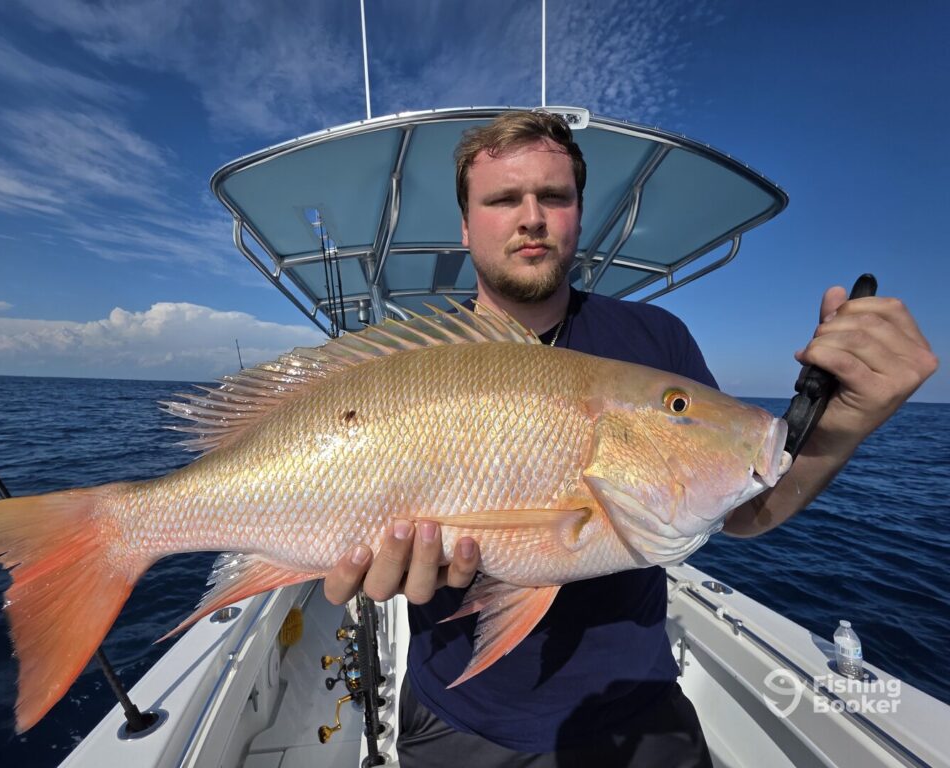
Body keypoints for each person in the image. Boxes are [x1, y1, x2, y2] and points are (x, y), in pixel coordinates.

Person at [323, 111, 938, 766]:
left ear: (579, 214)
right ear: (467, 226)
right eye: (503, 199)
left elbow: (741, 507)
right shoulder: (399, 367)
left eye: (553, 196)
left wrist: (845, 423)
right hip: (455, 716)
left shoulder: (655, 341)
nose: (531, 217)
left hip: (637, 705)